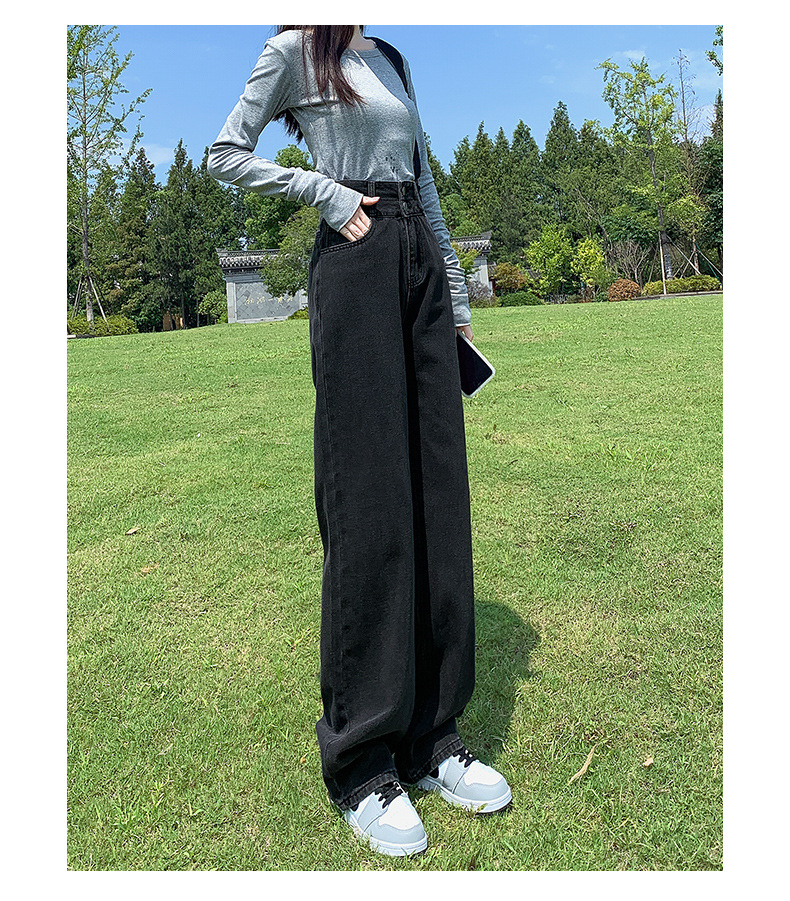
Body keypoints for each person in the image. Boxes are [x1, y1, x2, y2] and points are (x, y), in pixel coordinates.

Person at [207, 25, 511, 857]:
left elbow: (426, 176)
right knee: (369, 502)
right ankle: (363, 759)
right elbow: (224, 154)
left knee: (438, 499)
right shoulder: (294, 51)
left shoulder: (392, 59)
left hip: (419, 263)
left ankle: (433, 737)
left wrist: (455, 296)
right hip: (356, 258)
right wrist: (327, 194)